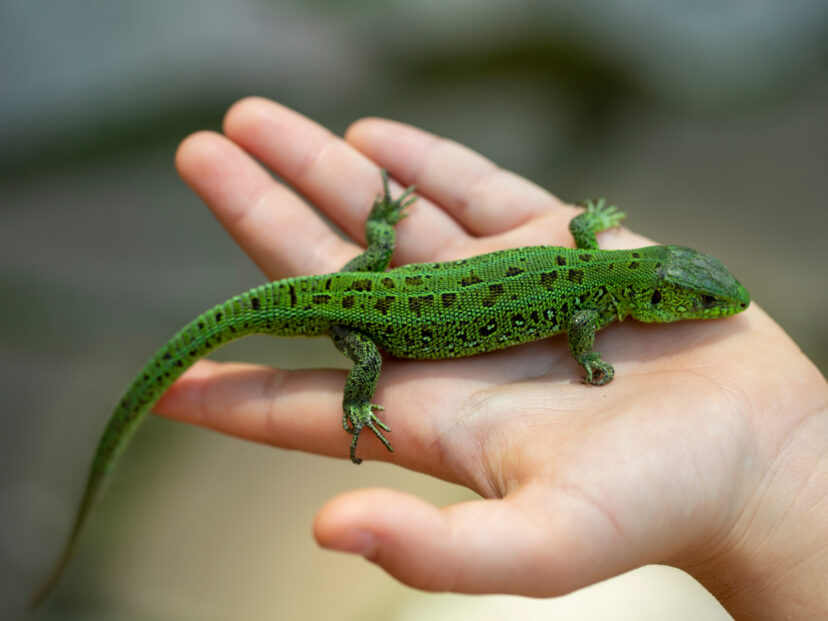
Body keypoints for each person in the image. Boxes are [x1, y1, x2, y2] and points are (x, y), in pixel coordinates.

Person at [156, 96, 827, 619]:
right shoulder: (594, 306)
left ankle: (382, 235)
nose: (716, 307)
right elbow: (582, 327)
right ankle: (361, 396)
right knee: (367, 367)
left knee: (374, 269)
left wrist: (385, 232)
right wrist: (588, 365)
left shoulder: (597, 262)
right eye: (701, 301)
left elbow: (582, 228)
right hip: (364, 321)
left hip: (374, 281)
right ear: (654, 293)